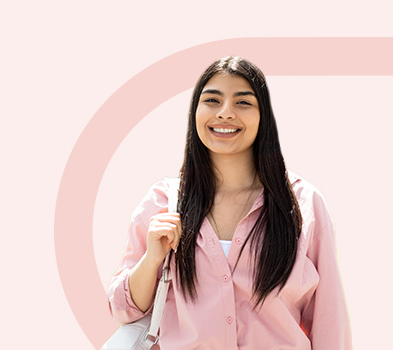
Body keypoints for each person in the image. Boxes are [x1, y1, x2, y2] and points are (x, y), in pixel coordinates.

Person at [108, 56, 352, 349]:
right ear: (194, 112)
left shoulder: (304, 205)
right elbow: (124, 309)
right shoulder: (163, 203)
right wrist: (152, 260)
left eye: (243, 102)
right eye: (212, 100)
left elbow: (329, 321)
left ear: (263, 117)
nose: (225, 113)